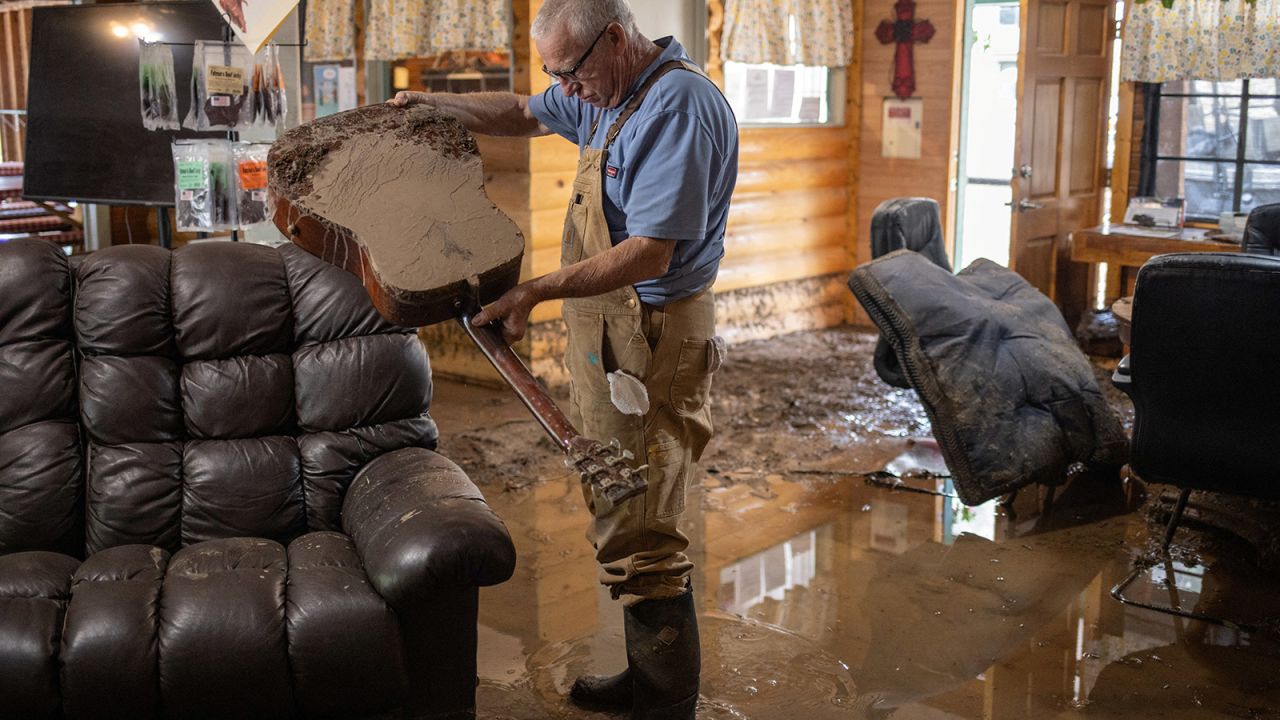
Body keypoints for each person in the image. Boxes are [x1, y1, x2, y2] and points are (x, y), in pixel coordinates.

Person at [389, 1, 737, 717]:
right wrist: (436, 105)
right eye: (557, 75)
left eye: (570, 74)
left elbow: (650, 250)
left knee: (644, 519)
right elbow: (522, 109)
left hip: (654, 332)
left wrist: (537, 290)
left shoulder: (676, 106)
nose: (565, 91)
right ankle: (647, 678)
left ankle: (666, 702)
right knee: (615, 499)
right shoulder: (606, 92)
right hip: (605, 326)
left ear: (615, 39)